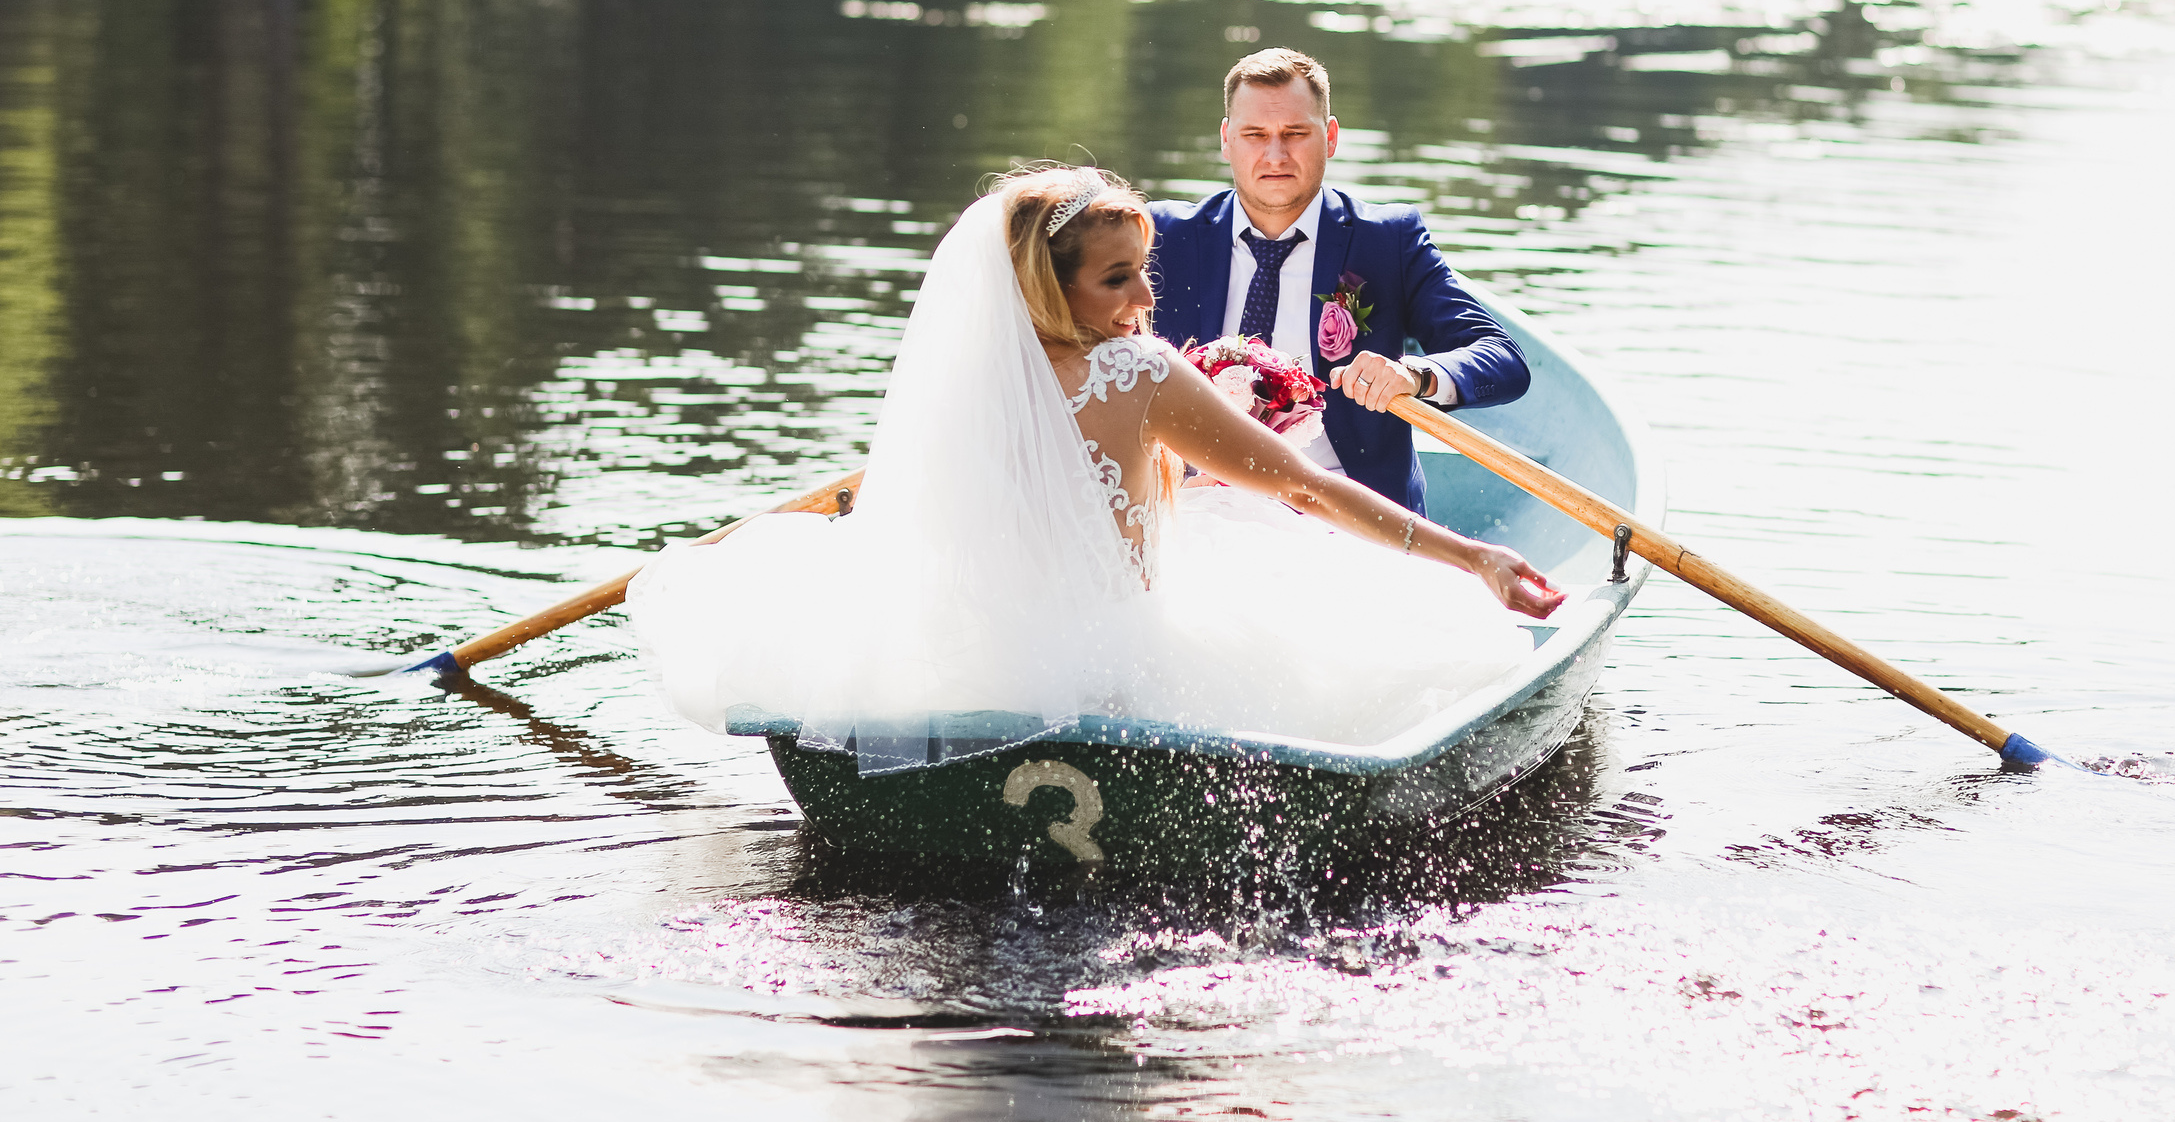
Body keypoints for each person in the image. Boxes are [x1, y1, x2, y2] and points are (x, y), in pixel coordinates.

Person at [627, 166, 1563, 763]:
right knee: (1396, 646)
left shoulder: (968, 378)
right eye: (1119, 277)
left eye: (1144, 268)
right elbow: (1311, 488)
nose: (1147, 295)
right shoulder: (1140, 372)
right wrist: (1473, 558)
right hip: (1119, 656)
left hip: (972, 650)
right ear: (1048, 281)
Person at [1146, 49, 1531, 517]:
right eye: (1255, 135)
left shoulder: (1388, 240)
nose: (1275, 155)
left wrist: (1414, 375)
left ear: (1329, 137)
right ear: (1227, 140)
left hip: (1346, 517)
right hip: (1191, 508)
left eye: (1294, 133)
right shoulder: (1163, 236)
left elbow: (1502, 357)